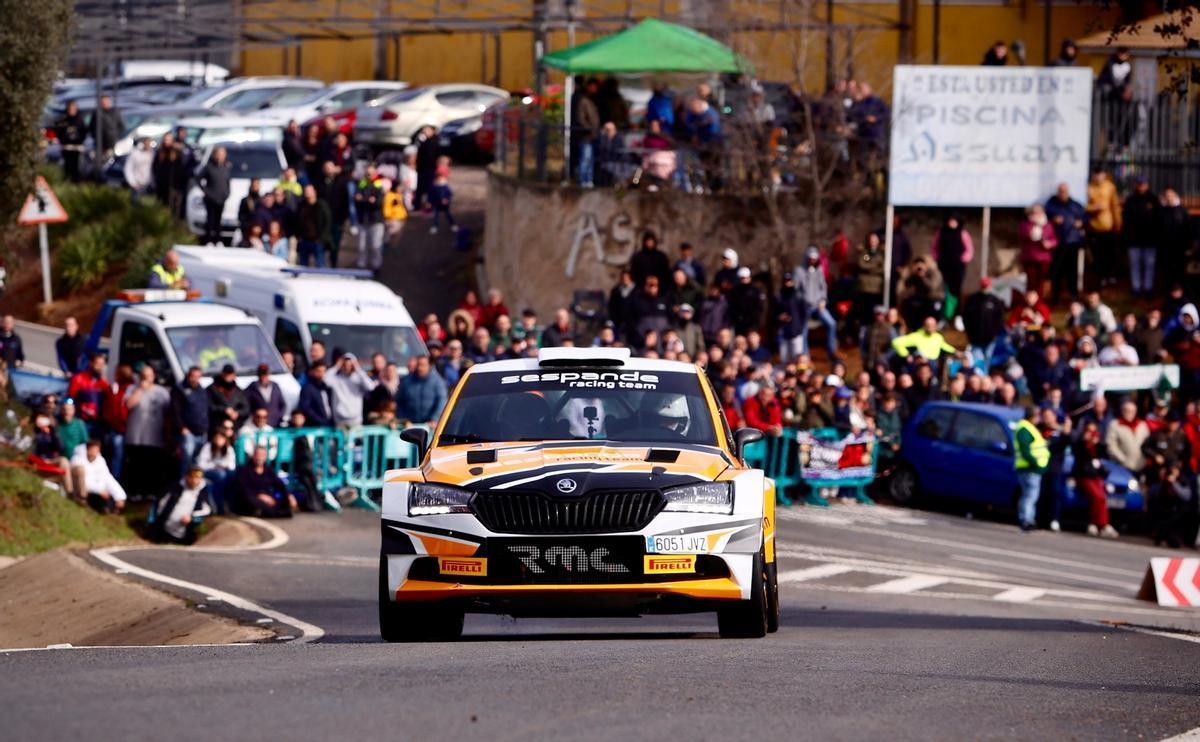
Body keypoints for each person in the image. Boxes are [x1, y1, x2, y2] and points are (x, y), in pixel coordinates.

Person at [124, 364, 172, 499]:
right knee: (135, 466)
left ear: (154, 377)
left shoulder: (162, 392)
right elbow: (128, 404)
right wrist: (140, 390)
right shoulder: (132, 388)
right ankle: (135, 493)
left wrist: (168, 435)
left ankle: (150, 492)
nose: (146, 378)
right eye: (143, 376)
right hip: (136, 436)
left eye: (149, 376)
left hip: (155, 436)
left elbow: (168, 414)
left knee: (152, 466)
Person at [1044, 182, 1087, 301]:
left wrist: (1081, 222)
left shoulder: (1075, 205)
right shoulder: (1051, 205)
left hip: (1073, 242)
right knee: (1057, 270)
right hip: (1058, 242)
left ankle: (1073, 294)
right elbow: (1045, 217)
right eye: (1060, 191)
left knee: (1072, 270)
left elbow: (1085, 217)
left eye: (1065, 191)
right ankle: (1055, 295)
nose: (1063, 194)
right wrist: (1053, 219)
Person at [150, 467, 213, 545]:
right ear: (187, 477)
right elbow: (159, 503)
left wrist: (192, 517)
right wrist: (153, 521)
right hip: (165, 530)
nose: (194, 481)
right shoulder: (175, 486)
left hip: (184, 534)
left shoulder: (202, 491)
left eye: (197, 478)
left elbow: (208, 510)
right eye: (191, 477)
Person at [797, 246, 838, 362]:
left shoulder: (819, 271)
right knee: (803, 328)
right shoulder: (800, 271)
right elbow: (796, 290)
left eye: (814, 259)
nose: (812, 261)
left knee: (832, 323)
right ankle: (805, 355)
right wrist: (802, 302)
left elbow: (823, 288)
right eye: (810, 258)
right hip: (804, 307)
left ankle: (832, 351)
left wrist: (822, 301)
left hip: (817, 306)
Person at [1122, 175, 1161, 296]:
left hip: (1150, 240)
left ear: (1147, 185)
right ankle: (1136, 288)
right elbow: (1125, 219)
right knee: (1135, 265)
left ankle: (1148, 288)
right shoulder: (1131, 200)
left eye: (1143, 184)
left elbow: (1159, 220)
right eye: (1139, 184)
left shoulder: (1154, 200)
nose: (1141, 186)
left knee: (1149, 265)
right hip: (1134, 240)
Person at [232, 445, 295, 518]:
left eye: (262, 455)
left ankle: (266, 511)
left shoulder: (268, 470)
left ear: (265, 457)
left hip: (267, 498)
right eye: (257, 455)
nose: (259, 457)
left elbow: (280, 484)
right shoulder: (244, 470)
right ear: (253, 456)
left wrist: (288, 495)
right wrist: (259, 496)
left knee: (284, 502)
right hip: (252, 498)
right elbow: (243, 489)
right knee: (248, 500)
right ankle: (265, 511)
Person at [1013, 406, 1050, 532]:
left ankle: (1029, 519)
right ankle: (1026, 520)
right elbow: (1025, 450)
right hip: (1029, 468)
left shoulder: (1028, 428)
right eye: (1037, 416)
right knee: (1029, 496)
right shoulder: (1025, 429)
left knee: (1030, 496)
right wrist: (1035, 463)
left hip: (1031, 468)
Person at [931, 216, 973, 322]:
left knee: (956, 290)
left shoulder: (962, 233)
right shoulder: (941, 233)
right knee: (944, 291)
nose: (952, 223)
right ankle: (945, 315)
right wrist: (937, 259)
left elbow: (969, 249)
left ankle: (957, 315)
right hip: (944, 266)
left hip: (958, 267)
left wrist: (962, 259)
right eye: (950, 220)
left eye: (954, 220)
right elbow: (934, 248)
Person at [1087, 170, 1122, 288]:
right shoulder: (1089, 188)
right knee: (1097, 254)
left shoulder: (1110, 187)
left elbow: (1115, 205)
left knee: (1110, 253)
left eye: (1101, 174)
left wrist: (1118, 223)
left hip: (1108, 226)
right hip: (1094, 227)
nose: (1098, 177)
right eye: (1096, 175)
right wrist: (1093, 208)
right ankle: (1100, 276)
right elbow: (1084, 205)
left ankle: (1110, 275)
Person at [171, 366, 209, 473]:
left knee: (198, 462)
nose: (195, 379)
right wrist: (182, 428)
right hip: (188, 433)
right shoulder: (179, 389)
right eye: (193, 376)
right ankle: (183, 485)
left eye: (198, 377)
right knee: (186, 461)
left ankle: (196, 487)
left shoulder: (201, 389)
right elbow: (175, 411)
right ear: (188, 376)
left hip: (202, 432)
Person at [71, 439, 126, 513]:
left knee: (110, 498)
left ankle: (111, 509)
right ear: (87, 449)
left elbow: (107, 478)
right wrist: (99, 491)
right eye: (93, 450)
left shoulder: (100, 461)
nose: (94, 452)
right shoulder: (77, 460)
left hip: (99, 491)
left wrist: (119, 496)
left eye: (96, 450)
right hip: (83, 492)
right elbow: (82, 482)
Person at [326, 352, 377, 428]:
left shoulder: (358, 378)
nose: (347, 367)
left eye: (350, 365)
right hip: (340, 421)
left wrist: (358, 368)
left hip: (355, 420)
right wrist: (336, 366)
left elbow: (370, 386)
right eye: (344, 365)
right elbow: (325, 380)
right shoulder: (336, 379)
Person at [1019, 203, 1058, 300]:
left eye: (1039, 212)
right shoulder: (1026, 224)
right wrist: (1035, 228)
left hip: (1044, 258)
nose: (1037, 215)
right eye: (1035, 212)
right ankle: (1029, 300)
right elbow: (1025, 236)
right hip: (1030, 257)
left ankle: (1039, 300)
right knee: (1031, 282)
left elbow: (1055, 240)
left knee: (1041, 281)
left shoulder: (1048, 225)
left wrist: (1049, 243)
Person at [350, 164, 385, 271]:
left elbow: (378, 203)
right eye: (367, 174)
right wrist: (368, 200)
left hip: (375, 220)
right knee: (362, 246)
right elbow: (356, 200)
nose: (368, 176)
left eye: (370, 174)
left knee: (375, 245)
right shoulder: (361, 184)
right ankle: (361, 266)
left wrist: (363, 200)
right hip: (363, 219)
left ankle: (376, 266)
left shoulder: (378, 185)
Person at [396, 355, 448, 426]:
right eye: (418, 365)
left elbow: (442, 401)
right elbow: (400, 402)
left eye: (423, 365)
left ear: (429, 366)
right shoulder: (407, 382)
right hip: (410, 425)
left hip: (430, 425)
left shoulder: (438, 382)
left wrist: (434, 419)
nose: (419, 368)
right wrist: (403, 419)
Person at [194, 428, 237, 513]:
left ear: (225, 439)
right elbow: (201, 464)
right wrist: (215, 466)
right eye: (217, 438)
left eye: (221, 438)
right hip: (208, 472)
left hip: (224, 473)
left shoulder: (229, 449)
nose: (219, 440)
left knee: (230, 475)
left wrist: (223, 466)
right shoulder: (208, 447)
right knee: (221, 475)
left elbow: (232, 466)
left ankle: (230, 505)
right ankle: (219, 506)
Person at [1105, 399, 1150, 478]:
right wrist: (1123, 459)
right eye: (1127, 411)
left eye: (1132, 411)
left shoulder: (1142, 425)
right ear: (1122, 411)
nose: (1129, 413)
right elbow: (1111, 446)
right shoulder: (1115, 425)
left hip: (1141, 465)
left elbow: (1148, 443)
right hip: (1122, 466)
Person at [197, 146, 232, 245]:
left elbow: (228, 182)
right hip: (211, 198)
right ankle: (208, 240)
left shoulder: (226, 167)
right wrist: (207, 192)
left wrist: (227, 193)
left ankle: (218, 240)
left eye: (223, 154)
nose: (221, 156)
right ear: (215, 155)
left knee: (218, 220)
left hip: (221, 198)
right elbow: (198, 179)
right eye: (219, 154)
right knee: (210, 220)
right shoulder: (209, 167)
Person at [296, 184, 332, 268]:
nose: (307, 193)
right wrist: (299, 236)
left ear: (314, 192)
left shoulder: (322, 205)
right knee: (302, 266)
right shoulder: (301, 206)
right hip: (304, 240)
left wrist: (322, 238)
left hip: (317, 240)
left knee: (320, 265)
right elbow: (297, 221)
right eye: (306, 191)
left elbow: (327, 222)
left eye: (309, 191)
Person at [86, 95, 125, 168]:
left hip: (112, 143)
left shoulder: (115, 113)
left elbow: (121, 127)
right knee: (100, 164)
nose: (104, 103)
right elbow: (91, 128)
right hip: (99, 145)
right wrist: (95, 137)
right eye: (102, 102)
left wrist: (116, 137)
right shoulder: (96, 114)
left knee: (110, 163)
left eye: (106, 101)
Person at [245, 363, 287, 427]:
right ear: (258, 375)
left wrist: (279, 416)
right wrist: (255, 416)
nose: (263, 377)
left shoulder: (275, 386)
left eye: (265, 374)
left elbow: (282, 404)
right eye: (261, 374)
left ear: (269, 374)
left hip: (275, 422)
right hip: (259, 423)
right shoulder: (251, 388)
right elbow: (246, 405)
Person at [54, 100, 87, 182]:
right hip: (66, 148)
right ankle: (67, 182)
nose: (72, 110)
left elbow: (84, 132)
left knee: (77, 167)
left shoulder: (80, 120)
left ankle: (76, 183)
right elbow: (58, 131)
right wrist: (63, 140)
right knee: (67, 167)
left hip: (77, 148)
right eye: (70, 108)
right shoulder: (63, 120)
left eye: (73, 108)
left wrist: (80, 141)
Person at [297, 360, 335, 428]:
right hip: (315, 426)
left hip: (330, 424)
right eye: (319, 371)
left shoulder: (326, 387)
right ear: (312, 372)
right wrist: (319, 420)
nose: (322, 374)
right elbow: (305, 407)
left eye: (324, 371)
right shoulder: (307, 389)